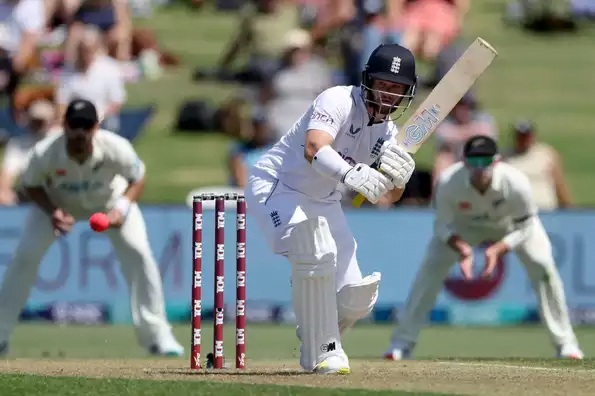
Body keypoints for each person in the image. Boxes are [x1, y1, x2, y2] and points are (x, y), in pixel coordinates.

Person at [245, 43, 418, 374]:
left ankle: (314, 338)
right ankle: (325, 351)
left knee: (357, 298)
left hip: (323, 200)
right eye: (383, 84)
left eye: (396, 88)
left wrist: (399, 181)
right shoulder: (337, 99)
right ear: (368, 81)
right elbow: (314, 148)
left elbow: (386, 197)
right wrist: (351, 173)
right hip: (277, 187)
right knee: (314, 250)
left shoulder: (388, 132)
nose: (388, 94)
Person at [0, 99, 184, 357]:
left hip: (110, 205)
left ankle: (158, 336)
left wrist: (122, 208)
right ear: (64, 126)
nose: (80, 132)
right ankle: (1, 335)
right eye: (75, 125)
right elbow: (31, 184)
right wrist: (53, 211)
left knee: (140, 255)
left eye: (86, 126)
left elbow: (137, 177)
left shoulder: (116, 147)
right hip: (59, 205)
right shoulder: (45, 152)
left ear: (96, 127)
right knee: (24, 258)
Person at [384, 135, 584, 361]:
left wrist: (498, 249)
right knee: (430, 269)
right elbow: (441, 226)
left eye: (486, 161)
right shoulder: (450, 181)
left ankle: (566, 343)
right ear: (465, 162)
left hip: (511, 226)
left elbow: (526, 225)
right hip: (465, 227)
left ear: (497, 161)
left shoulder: (515, 181)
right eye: (475, 162)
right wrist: (463, 248)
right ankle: (401, 343)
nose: (480, 168)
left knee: (543, 266)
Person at [503, 119, 572, 210]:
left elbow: (559, 184)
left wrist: (569, 209)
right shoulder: (505, 157)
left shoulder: (546, 154)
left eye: (526, 136)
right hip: (516, 212)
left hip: (545, 209)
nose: (524, 140)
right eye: (521, 136)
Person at [0, 99, 58, 205]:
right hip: (28, 195)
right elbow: (7, 177)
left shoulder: (60, 140)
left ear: (50, 121)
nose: (37, 124)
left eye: (41, 121)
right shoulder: (18, 144)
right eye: (35, 120)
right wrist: (5, 192)